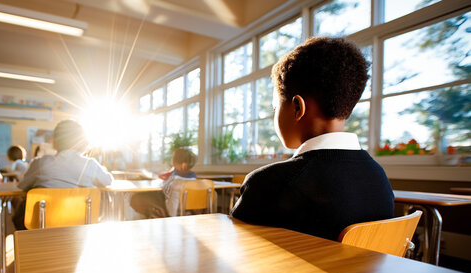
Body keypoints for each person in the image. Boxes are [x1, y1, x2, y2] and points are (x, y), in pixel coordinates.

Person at [230, 37, 394, 241]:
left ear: (297, 108)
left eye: (275, 107)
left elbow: (238, 255)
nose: (274, 114)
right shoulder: (379, 180)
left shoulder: (268, 183)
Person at [12, 120, 114, 230]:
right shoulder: (90, 164)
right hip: (81, 224)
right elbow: (108, 181)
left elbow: (22, 186)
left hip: (42, 226)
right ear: (84, 142)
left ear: (54, 141)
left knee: (22, 206)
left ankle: (27, 244)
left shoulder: (40, 163)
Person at [130, 147, 197, 218]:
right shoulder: (193, 177)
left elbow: (165, 190)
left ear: (180, 164)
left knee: (136, 198)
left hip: (169, 208)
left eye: (173, 160)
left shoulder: (175, 182)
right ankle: (156, 214)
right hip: (183, 208)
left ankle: (160, 213)